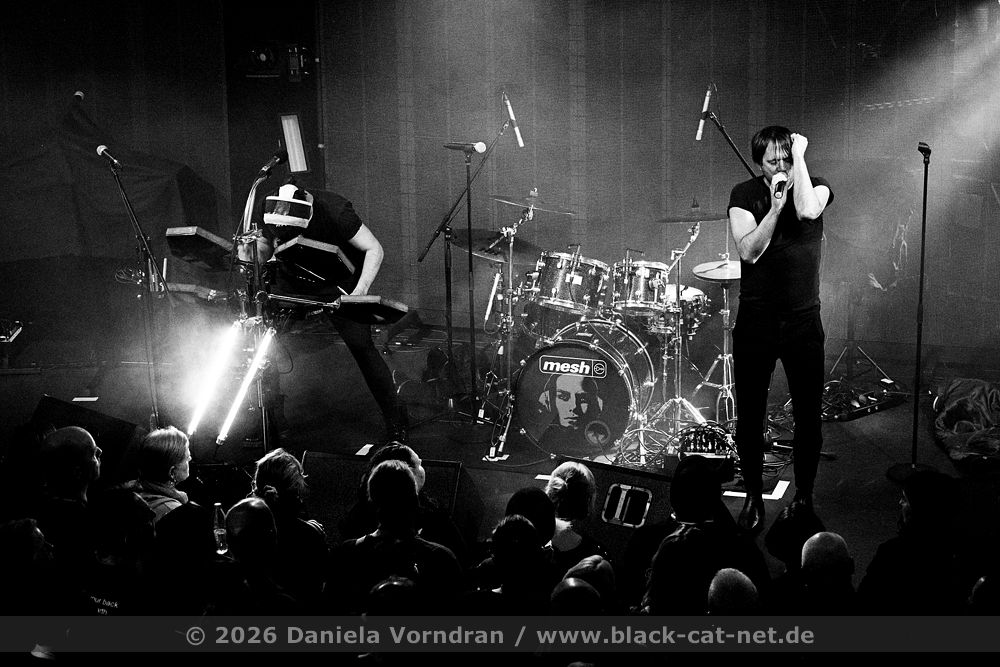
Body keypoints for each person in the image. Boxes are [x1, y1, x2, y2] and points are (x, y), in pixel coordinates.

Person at [728, 126, 834, 532]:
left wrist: (800, 159)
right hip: (756, 321)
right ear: (759, 164)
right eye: (773, 161)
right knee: (750, 415)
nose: (782, 166)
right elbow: (749, 251)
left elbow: (808, 212)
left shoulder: (817, 185)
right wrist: (773, 209)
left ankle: (803, 497)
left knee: (808, 414)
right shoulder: (744, 195)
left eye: (786, 158)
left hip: (803, 321)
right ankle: (753, 496)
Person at [239, 182, 406, 441]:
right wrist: (250, 253)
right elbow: (264, 249)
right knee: (265, 342)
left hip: (338, 281)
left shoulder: (335, 210)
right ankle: (271, 419)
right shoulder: (266, 205)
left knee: (362, 347)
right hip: (293, 274)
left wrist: (359, 292)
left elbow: (374, 249)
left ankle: (395, 420)